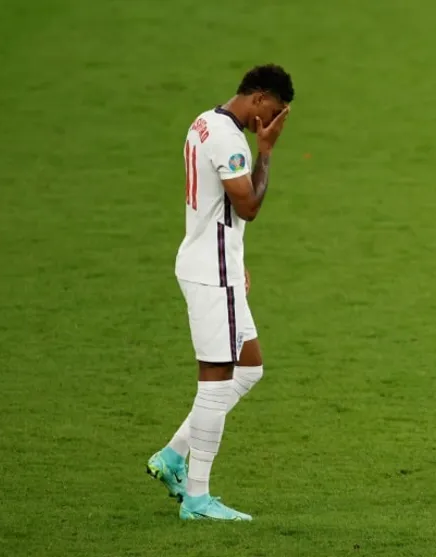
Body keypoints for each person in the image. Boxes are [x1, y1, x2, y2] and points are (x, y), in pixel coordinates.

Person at [146, 64, 294, 521]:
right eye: (272, 112)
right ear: (257, 97)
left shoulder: (204, 121)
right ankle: (197, 497)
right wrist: (266, 153)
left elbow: (216, 208)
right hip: (213, 275)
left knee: (249, 369)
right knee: (215, 378)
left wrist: (234, 256)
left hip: (210, 262)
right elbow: (247, 206)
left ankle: (173, 455)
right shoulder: (231, 141)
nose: (270, 123)